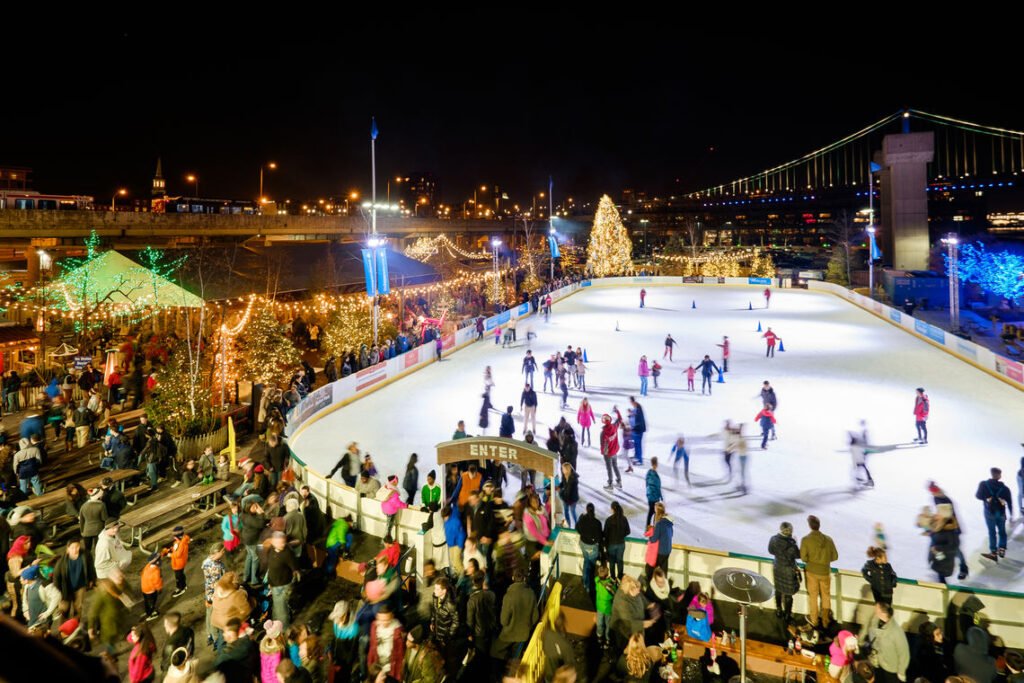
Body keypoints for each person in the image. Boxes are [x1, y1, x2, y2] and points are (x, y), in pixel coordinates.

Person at [800, 515, 839, 630]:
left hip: (812, 572)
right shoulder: (828, 539)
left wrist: (812, 561)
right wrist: (825, 561)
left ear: (809, 525)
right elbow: (835, 556)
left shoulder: (806, 540)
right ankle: (826, 621)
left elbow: (803, 558)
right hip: (825, 572)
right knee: (826, 596)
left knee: (813, 596)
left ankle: (814, 620)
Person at [494, 568, 537, 658]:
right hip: (524, 634)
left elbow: (504, 621)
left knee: (494, 651)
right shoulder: (531, 593)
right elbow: (535, 617)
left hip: (509, 634)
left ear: (513, 578)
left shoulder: (508, 596)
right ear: (524, 578)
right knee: (516, 656)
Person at [975, 466, 1013, 561]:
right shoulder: (1005, 488)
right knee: (1002, 531)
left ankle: (993, 552)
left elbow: (978, 496)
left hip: (989, 512)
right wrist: (1011, 515)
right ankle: (1002, 549)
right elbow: (1010, 503)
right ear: (1000, 476)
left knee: (992, 532)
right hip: (1001, 513)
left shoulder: (983, 484)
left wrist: (987, 498)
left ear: (991, 474)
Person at [867, 602, 909, 683]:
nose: (874, 610)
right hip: (878, 663)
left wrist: (901, 672)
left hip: (891, 669)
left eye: (876, 609)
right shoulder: (875, 621)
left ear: (883, 613)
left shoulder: (896, 632)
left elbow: (904, 654)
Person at [767, 522, 800, 622]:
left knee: (778, 589)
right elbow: (798, 555)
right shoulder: (792, 544)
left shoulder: (773, 539)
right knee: (788, 594)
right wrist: (795, 542)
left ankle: (778, 610)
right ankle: (787, 615)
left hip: (778, 568)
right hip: (788, 570)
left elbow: (771, 551)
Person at [267, 531, 299, 629]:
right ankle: (275, 623)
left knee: (281, 610)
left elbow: (295, 568)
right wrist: (269, 582)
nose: (283, 544)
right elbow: (271, 567)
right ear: (273, 542)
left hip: (282, 585)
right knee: (277, 606)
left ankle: (283, 630)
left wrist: (296, 575)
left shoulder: (287, 553)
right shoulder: (271, 549)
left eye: (284, 542)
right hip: (274, 584)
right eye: (280, 542)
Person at [645, 501, 673, 578]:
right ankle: (664, 585)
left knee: (649, 568)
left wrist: (650, 534)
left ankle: (650, 584)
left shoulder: (659, 524)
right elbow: (671, 534)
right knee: (664, 571)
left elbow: (653, 539)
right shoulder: (668, 522)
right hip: (667, 550)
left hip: (661, 551)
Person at [600, 414, 622, 490]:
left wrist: (603, 453)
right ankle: (619, 481)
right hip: (614, 451)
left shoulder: (603, 433)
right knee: (615, 466)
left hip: (608, 454)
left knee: (609, 468)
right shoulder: (614, 426)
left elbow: (603, 445)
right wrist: (617, 411)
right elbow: (620, 419)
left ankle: (610, 484)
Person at [558, 462, 580, 527]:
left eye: (563, 469)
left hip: (572, 499)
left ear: (567, 469)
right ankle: (569, 525)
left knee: (573, 512)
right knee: (566, 512)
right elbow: (563, 483)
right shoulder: (564, 475)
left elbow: (569, 491)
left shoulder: (573, 479)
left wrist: (560, 492)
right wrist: (559, 486)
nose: (562, 470)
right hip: (566, 498)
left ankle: (577, 526)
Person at [645, 457, 662, 527]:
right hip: (654, 497)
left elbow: (647, 484)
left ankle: (649, 527)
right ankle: (651, 528)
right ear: (655, 464)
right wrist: (660, 496)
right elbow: (657, 487)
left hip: (650, 496)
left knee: (652, 512)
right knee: (654, 512)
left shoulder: (649, 472)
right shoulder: (653, 475)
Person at [630, 396, 646, 465]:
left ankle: (640, 460)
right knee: (636, 444)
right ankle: (636, 456)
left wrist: (634, 427)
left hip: (638, 430)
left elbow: (638, 421)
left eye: (631, 402)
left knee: (638, 445)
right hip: (636, 430)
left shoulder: (638, 409)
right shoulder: (636, 408)